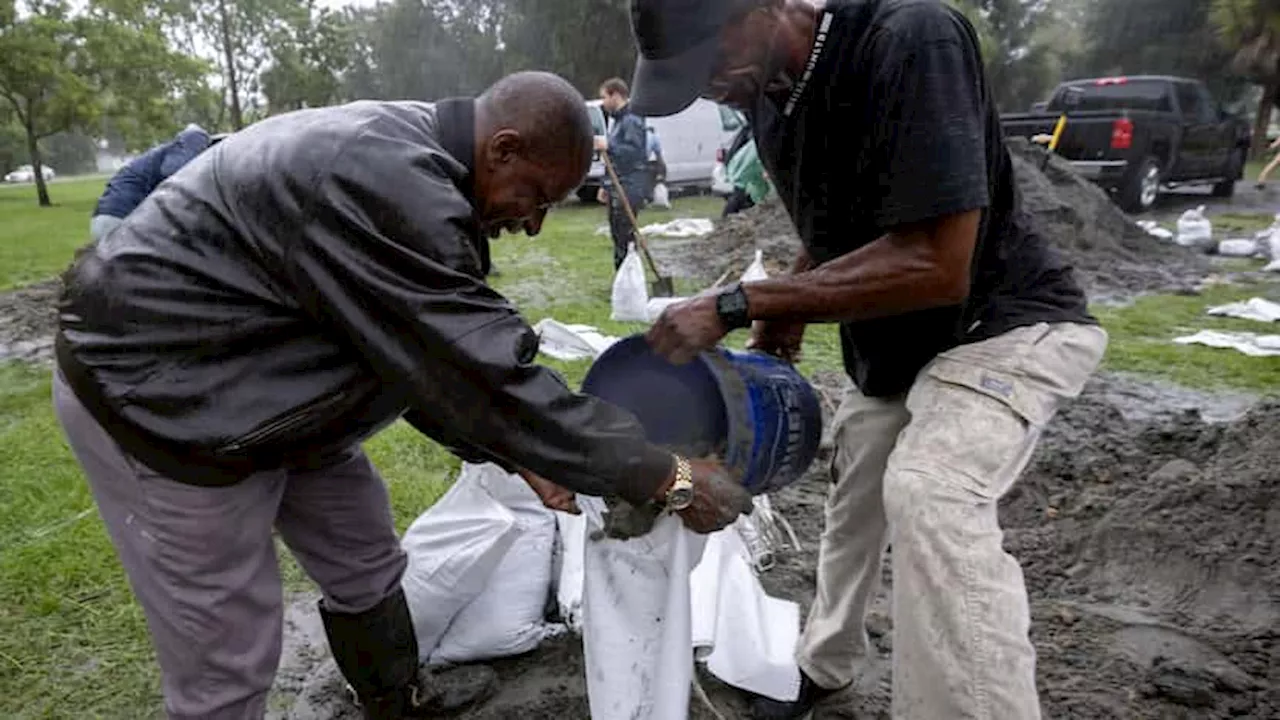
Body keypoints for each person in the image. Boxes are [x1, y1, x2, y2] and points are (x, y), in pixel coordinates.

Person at [54, 70, 751, 720]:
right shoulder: (383, 177)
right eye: (536, 197)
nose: (534, 223)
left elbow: (416, 355)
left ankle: (397, 701)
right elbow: (482, 372)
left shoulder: (421, 168)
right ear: (502, 149)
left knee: (364, 553)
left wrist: (521, 456)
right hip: (163, 406)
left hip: (265, 387)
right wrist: (672, 476)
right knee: (227, 652)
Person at [627, 1, 1108, 718]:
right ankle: (825, 663)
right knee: (854, 495)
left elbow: (938, 262)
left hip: (1002, 323)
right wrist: (782, 319)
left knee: (929, 488)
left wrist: (741, 303)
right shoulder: (769, 99)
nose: (707, 85)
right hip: (898, 344)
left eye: (709, 57)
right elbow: (836, 228)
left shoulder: (910, 40)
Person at [90, 124, 215, 241]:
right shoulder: (196, 138)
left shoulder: (161, 154)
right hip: (124, 216)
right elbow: (172, 172)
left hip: (105, 216)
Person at [595, 77, 650, 269]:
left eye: (604, 97)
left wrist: (610, 145)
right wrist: (605, 185)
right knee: (618, 234)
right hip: (617, 185)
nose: (603, 103)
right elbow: (614, 161)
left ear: (616, 95)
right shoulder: (617, 121)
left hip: (630, 186)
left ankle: (629, 275)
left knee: (624, 234)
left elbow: (635, 153)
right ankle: (623, 276)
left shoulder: (632, 120)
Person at [722, 134, 771, 217]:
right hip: (745, 168)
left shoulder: (758, 139)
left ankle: (762, 206)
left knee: (759, 189)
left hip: (744, 166)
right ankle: (727, 216)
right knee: (740, 194)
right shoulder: (765, 141)